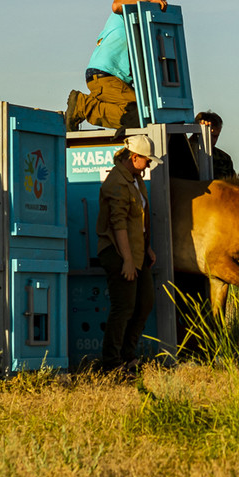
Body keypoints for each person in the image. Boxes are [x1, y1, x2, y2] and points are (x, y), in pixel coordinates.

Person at [96, 134, 162, 373]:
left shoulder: (135, 179)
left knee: (144, 303)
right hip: (118, 252)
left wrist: (146, 248)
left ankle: (127, 354)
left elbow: (139, 220)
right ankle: (112, 363)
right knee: (123, 307)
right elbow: (118, 224)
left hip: (135, 252)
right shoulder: (116, 183)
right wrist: (127, 260)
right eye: (147, 160)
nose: (149, 165)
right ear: (134, 158)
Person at [66, 0, 168, 131]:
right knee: (140, 116)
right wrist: (149, 0)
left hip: (111, 78)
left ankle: (89, 105)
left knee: (146, 114)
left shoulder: (139, 22)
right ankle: (83, 106)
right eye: (161, 3)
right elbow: (116, 4)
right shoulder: (133, 1)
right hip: (107, 75)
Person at [194, 110, 235, 179]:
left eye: (216, 136)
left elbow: (232, 185)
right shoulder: (183, 153)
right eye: (209, 135)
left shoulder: (224, 159)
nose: (213, 141)